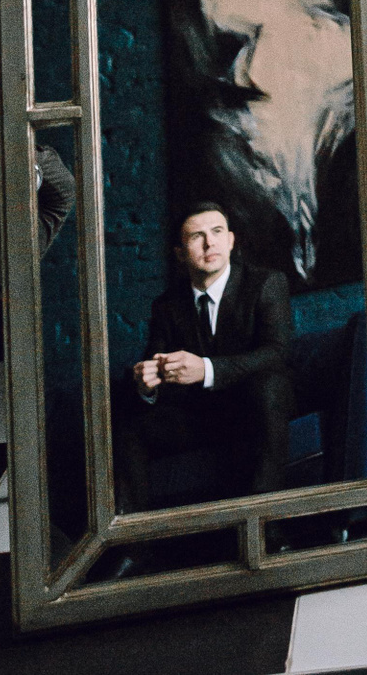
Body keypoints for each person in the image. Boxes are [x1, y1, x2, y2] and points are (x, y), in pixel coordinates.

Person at [111, 202, 293, 527]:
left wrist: (207, 369)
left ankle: (268, 532)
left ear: (231, 241)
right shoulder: (167, 306)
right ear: (180, 254)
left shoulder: (265, 283)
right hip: (200, 417)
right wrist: (146, 383)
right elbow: (155, 366)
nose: (210, 243)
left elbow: (278, 353)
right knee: (128, 420)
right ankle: (132, 543)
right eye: (197, 236)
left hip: (253, 410)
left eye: (217, 232)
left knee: (270, 386)